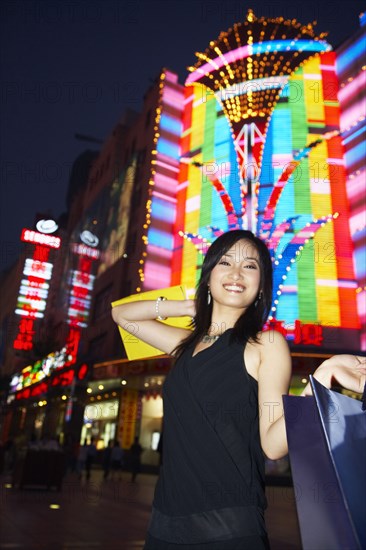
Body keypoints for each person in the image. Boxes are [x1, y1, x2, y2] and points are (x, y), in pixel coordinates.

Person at [111, 229, 365, 549]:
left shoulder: (265, 344)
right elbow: (121, 314)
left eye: (250, 266)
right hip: (164, 525)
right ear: (209, 273)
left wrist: (321, 379)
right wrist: (190, 307)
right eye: (225, 262)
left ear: (261, 286)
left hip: (229, 530)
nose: (236, 273)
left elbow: (273, 445)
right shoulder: (185, 345)